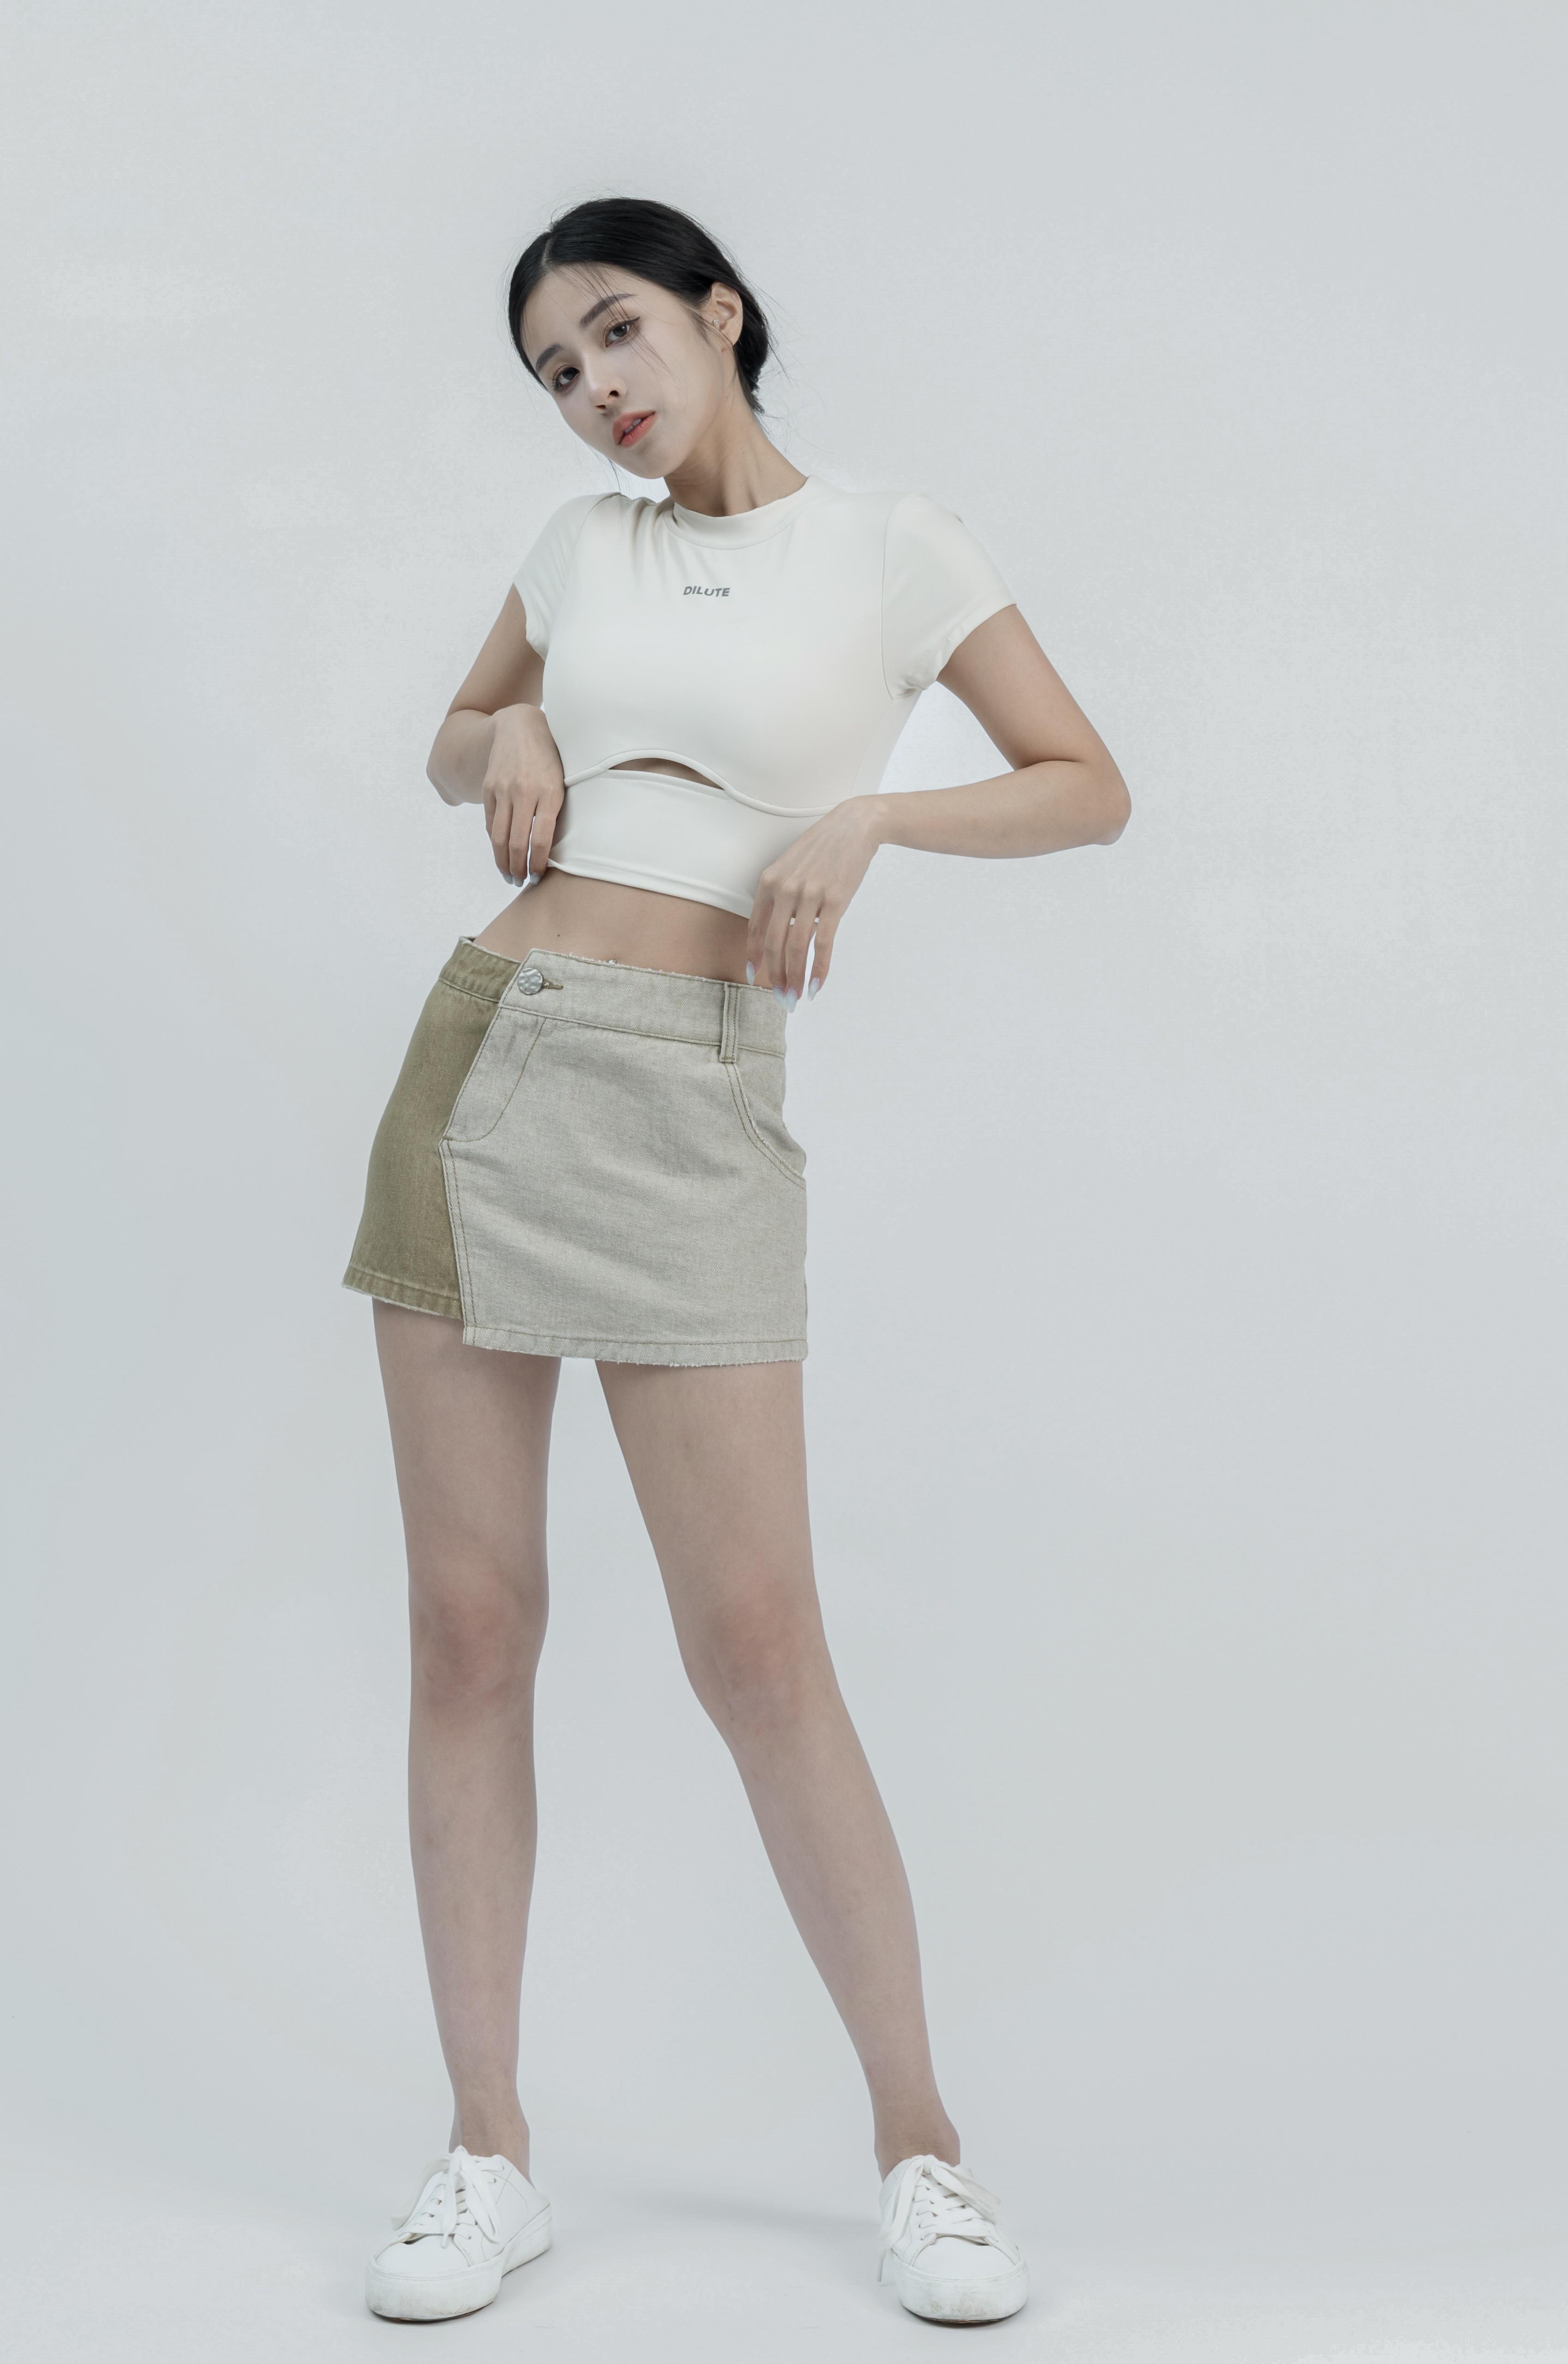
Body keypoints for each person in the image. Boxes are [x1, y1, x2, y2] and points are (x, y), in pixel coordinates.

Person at [345, 197, 1130, 2327]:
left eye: (617, 331)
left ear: (720, 311)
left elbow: (1087, 785)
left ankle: (924, 2154)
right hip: (490, 1064)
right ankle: (485, 2151)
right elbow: (450, 742)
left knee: (762, 1650)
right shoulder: (574, 550)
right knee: (469, 1631)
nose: (595, 387)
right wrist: (506, 736)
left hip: (696, 1095)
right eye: (555, 370)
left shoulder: (889, 545)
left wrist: (875, 821)